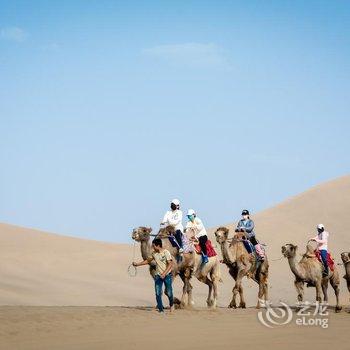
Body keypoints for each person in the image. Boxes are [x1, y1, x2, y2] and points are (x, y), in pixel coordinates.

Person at [133, 238, 174, 313]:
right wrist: (137, 264)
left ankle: (171, 305)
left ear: (158, 245)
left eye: (154, 246)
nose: (153, 247)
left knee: (169, 292)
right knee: (158, 293)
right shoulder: (154, 253)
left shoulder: (166, 252)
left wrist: (164, 273)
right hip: (158, 276)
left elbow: (170, 264)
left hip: (167, 275)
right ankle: (161, 310)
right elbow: (148, 261)